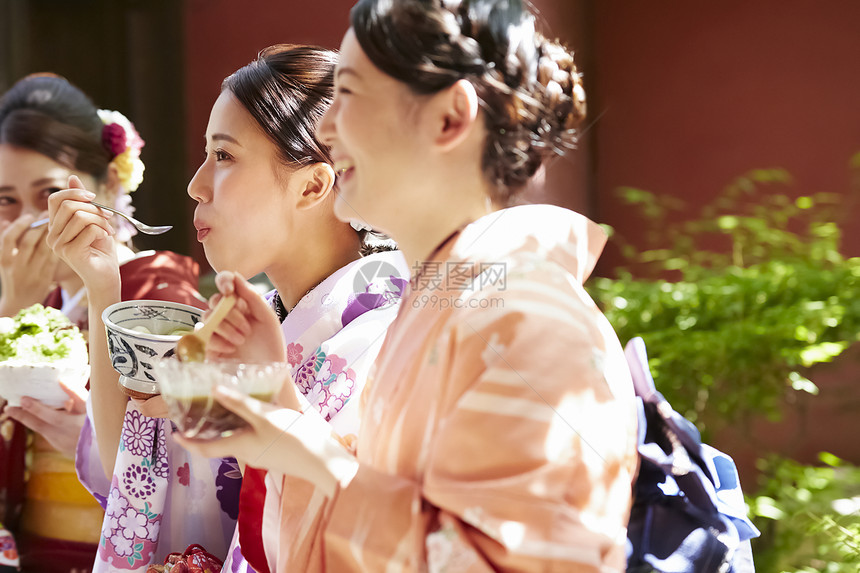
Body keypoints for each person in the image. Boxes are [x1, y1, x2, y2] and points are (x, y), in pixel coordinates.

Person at [180, 0, 640, 571]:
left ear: (448, 119)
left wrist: (308, 450)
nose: (323, 128)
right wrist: (278, 402)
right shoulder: (443, 307)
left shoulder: (535, 324)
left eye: (348, 95)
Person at [47, 45, 407, 572]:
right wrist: (102, 284)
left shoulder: (388, 339)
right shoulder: (248, 322)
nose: (196, 185)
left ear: (313, 184)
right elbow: (132, 473)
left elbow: (355, 533)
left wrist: (245, 421)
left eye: (224, 155)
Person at [0, 74, 204, 572]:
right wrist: (12, 312)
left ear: (109, 184)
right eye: (6, 200)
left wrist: (97, 443)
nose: (31, 220)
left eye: (50, 193)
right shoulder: (34, 298)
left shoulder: (160, 296)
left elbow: (189, 466)